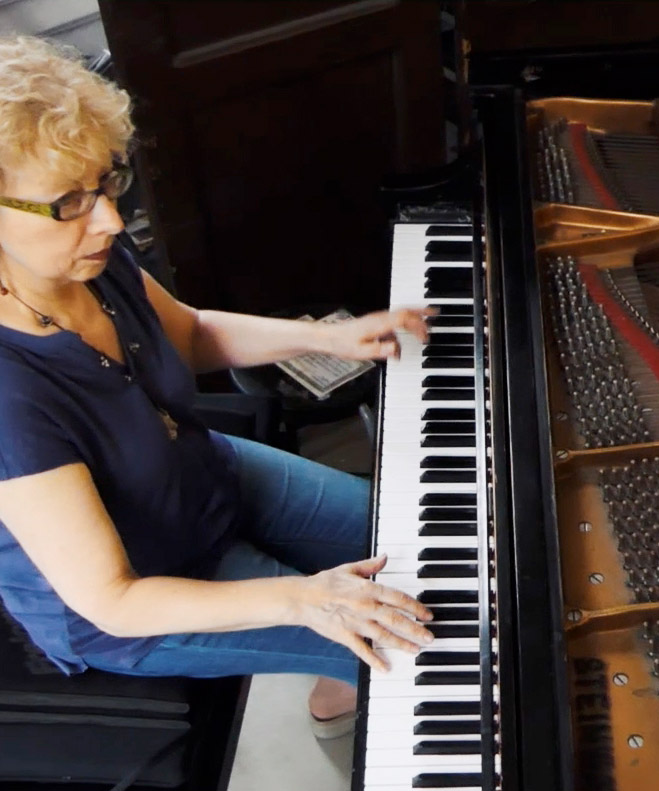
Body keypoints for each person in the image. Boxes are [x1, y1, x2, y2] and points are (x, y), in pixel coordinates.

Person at [0, 35, 435, 740]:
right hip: (147, 592)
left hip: (203, 473)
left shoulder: (86, 257)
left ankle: (334, 667)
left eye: (107, 182)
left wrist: (323, 337)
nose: (110, 218)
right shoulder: (9, 396)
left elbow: (190, 333)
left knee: (420, 537)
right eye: (68, 201)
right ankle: (337, 683)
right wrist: (301, 597)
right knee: (419, 641)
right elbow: (114, 599)